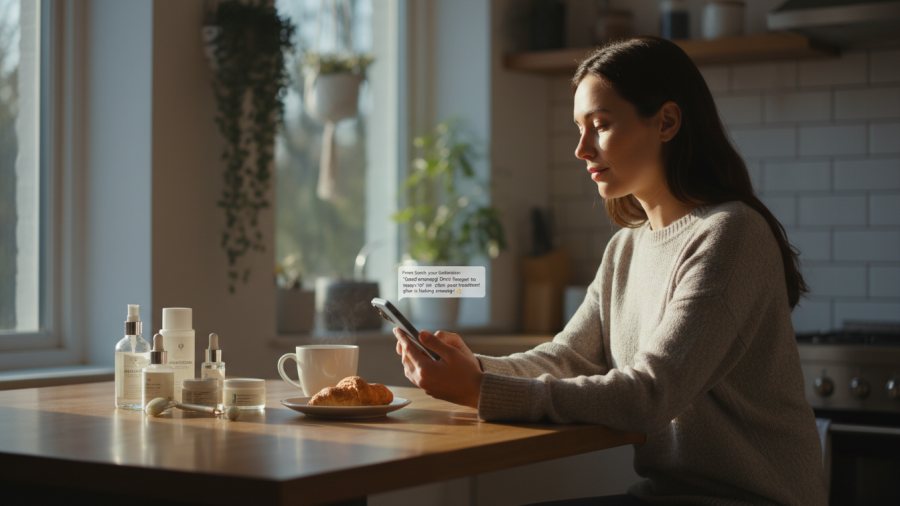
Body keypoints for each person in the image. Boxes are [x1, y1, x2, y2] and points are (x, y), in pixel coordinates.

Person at [393, 36, 826, 506]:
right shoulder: (625, 248)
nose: (582, 149)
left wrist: (481, 389)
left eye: (599, 125)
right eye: (579, 128)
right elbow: (567, 358)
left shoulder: (730, 233)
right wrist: (473, 369)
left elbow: (649, 395)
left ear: (666, 122)